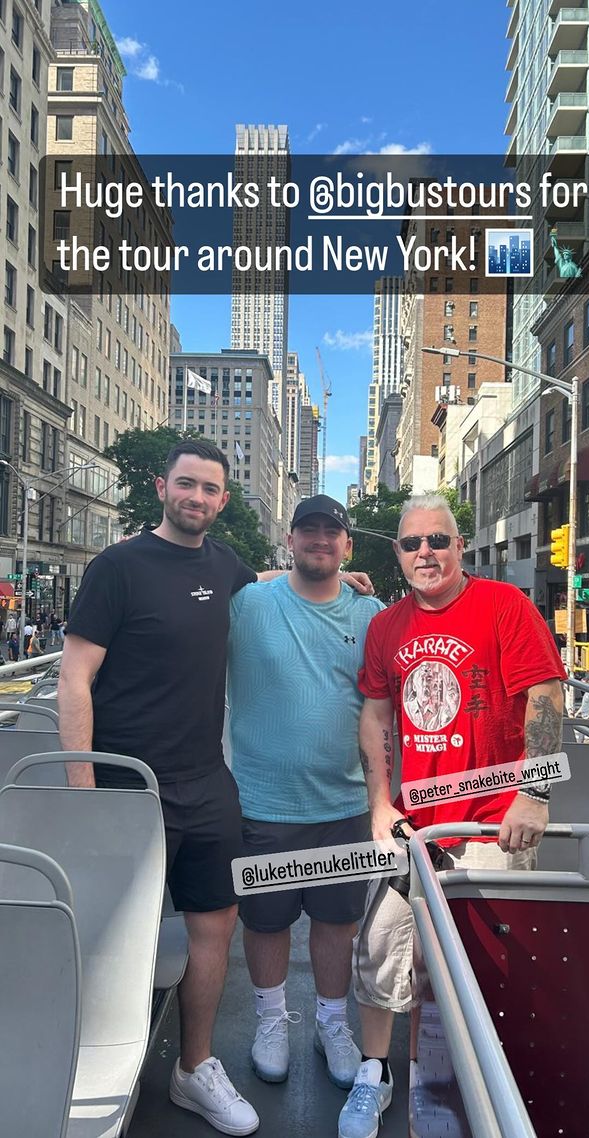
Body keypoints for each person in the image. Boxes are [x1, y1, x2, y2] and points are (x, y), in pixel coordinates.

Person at [338, 493, 566, 1138]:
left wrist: (537, 792)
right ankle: (373, 1074)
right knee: (381, 950)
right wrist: (379, 804)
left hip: (495, 822)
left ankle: (486, 1083)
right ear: (398, 554)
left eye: (437, 541)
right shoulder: (388, 627)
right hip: (414, 826)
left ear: (459, 545)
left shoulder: (505, 606)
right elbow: (377, 713)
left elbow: (545, 696)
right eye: (412, 545)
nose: (425, 554)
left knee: (492, 964)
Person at [58, 440, 266, 1136]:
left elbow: (266, 589)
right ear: (160, 486)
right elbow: (74, 678)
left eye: (210, 489)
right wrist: (82, 789)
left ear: (223, 500)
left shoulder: (227, 566)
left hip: (205, 781)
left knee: (215, 926)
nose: (197, 498)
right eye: (186, 485)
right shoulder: (117, 566)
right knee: (109, 932)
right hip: (123, 785)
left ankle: (193, 1069)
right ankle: (77, 1063)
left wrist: (332, 578)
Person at [226, 495, 385, 1093]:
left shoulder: (371, 614)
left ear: (348, 545)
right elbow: (192, 597)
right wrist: (267, 573)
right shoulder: (249, 603)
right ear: (289, 540)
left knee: (336, 921)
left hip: (344, 805)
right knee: (265, 922)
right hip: (261, 805)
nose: (320, 541)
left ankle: (331, 1023)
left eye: (332, 533)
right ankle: (271, 1020)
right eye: (308, 531)